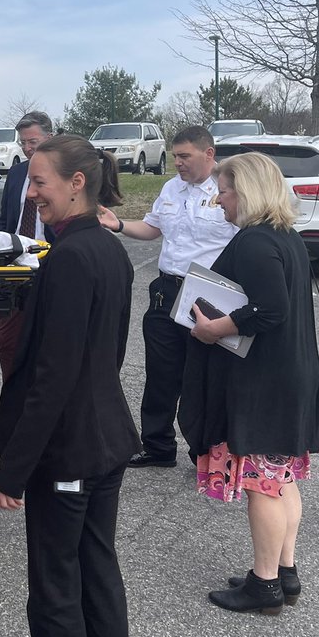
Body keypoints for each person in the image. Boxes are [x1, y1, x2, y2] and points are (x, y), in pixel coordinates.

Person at [0, 134, 139, 637]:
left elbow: (52, 376)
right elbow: (109, 353)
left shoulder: (72, 257)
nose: (31, 192)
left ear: (77, 183)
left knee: (55, 587)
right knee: (97, 570)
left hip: (70, 451)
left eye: (38, 181)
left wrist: (14, 468)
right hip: (104, 440)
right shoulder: (108, 248)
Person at [181, 152, 318, 614]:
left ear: (248, 191)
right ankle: (285, 571)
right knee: (282, 478)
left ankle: (264, 586)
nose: (218, 200)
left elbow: (270, 310)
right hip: (291, 374)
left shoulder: (256, 241)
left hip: (265, 381)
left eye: (224, 190)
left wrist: (214, 329)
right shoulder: (286, 236)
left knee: (263, 484)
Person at [98, 125, 237, 467]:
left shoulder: (227, 190)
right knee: (161, 374)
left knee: (202, 378)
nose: (177, 163)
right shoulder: (171, 188)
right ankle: (157, 447)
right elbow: (152, 229)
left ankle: (205, 453)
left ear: (208, 154)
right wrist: (117, 225)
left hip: (208, 294)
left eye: (185, 156)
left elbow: (243, 239)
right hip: (167, 289)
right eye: (175, 156)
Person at [0, 110, 55, 427]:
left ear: (49, 138)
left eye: (33, 141)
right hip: (13, 267)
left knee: (48, 343)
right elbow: (4, 221)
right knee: (8, 341)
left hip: (50, 264)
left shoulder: (62, 172)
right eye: (23, 142)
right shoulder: (15, 175)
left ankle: (43, 408)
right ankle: (12, 402)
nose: (27, 148)